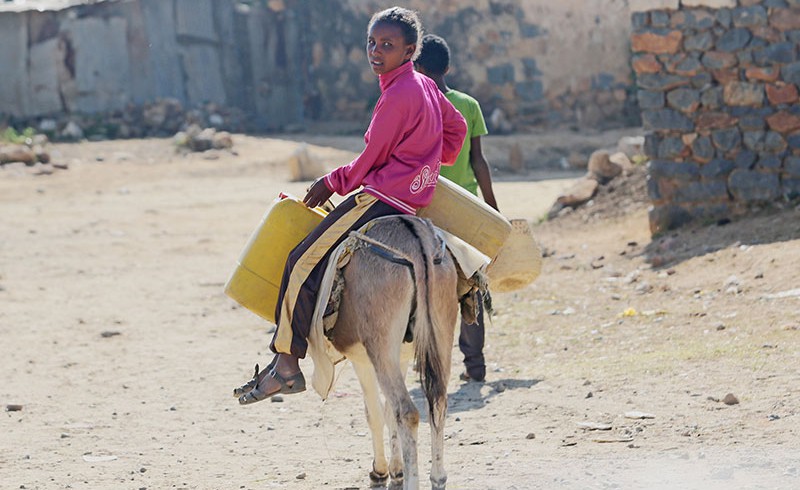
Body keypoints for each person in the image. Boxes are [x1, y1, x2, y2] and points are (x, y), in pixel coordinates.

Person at [235, 7, 467, 404]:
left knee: (301, 259)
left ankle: (287, 364)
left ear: (409, 50)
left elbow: (369, 160)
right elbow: (457, 127)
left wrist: (330, 182)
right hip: (412, 200)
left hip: (381, 199)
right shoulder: (425, 85)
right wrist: (428, 162)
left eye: (388, 45)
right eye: (372, 43)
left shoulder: (398, 94)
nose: (376, 51)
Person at [414, 34, 499, 383]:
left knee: (425, 288)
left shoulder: (414, 103)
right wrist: (493, 210)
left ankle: (429, 365)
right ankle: (474, 365)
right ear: (449, 67)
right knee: (471, 286)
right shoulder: (468, 104)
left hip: (426, 208)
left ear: (415, 67)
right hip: (466, 211)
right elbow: (479, 162)